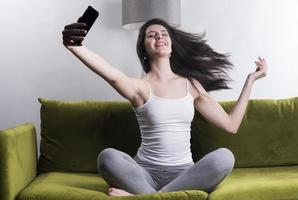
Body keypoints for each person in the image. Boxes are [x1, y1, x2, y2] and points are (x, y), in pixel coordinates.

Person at [62, 18, 267, 196]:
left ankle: (145, 197)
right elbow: (112, 75)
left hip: (185, 175)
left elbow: (231, 125)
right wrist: (75, 46)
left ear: (171, 45)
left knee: (225, 157)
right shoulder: (141, 87)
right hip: (144, 174)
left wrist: (250, 81)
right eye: (151, 35)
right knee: (107, 157)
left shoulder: (192, 85)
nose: (159, 37)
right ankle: (164, 196)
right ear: (144, 49)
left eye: (163, 33)